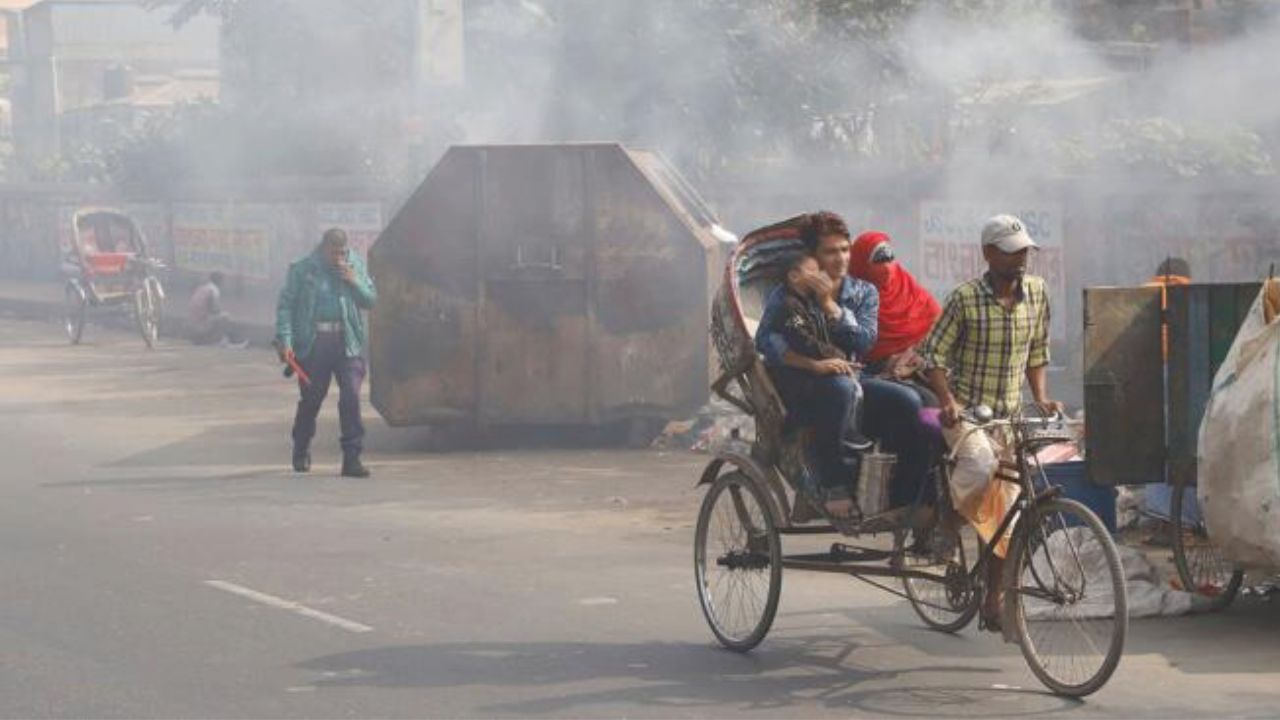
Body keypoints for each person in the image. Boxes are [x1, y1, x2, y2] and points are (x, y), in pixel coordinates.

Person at [919, 213, 1063, 631]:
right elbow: (933, 356)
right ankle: (946, 525)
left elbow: (1038, 352)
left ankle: (993, 600)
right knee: (980, 466)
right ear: (988, 253)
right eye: (1010, 251)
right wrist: (946, 400)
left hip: (1009, 413)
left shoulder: (1037, 293)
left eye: (1024, 252)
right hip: (965, 411)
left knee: (1010, 513)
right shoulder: (964, 298)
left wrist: (1041, 397)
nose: (1020, 260)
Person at [757, 211, 878, 518]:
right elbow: (766, 340)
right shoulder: (790, 294)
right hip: (804, 381)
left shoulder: (864, 292)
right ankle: (834, 483)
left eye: (845, 250)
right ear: (814, 256)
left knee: (910, 401)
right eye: (830, 252)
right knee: (838, 390)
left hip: (854, 377)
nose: (840, 259)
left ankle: (909, 501)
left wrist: (829, 305)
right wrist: (813, 364)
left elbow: (863, 343)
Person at [848, 230, 943, 509]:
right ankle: (908, 496)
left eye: (890, 256)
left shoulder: (910, 290)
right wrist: (889, 363)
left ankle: (936, 487)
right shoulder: (855, 295)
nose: (887, 265)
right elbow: (852, 344)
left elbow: (936, 333)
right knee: (920, 407)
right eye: (879, 259)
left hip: (915, 369)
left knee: (948, 413)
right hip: (868, 374)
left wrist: (913, 355)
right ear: (862, 264)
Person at [275, 228, 378, 478]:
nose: (339, 258)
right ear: (324, 249)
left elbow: (370, 300)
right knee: (311, 399)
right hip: (315, 342)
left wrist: (354, 281)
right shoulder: (303, 269)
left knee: (351, 397)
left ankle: (352, 457)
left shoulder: (354, 264)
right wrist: (286, 340)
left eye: (343, 252)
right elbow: (286, 305)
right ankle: (301, 448)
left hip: (348, 341)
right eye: (334, 253)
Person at [187, 272, 247, 347]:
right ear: (219, 281)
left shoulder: (202, 287)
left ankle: (211, 339)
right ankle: (223, 341)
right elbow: (215, 310)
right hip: (201, 324)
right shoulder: (213, 289)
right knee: (225, 317)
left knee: (220, 316)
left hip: (192, 324)